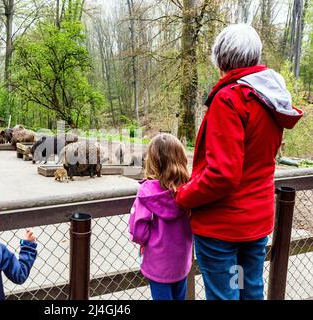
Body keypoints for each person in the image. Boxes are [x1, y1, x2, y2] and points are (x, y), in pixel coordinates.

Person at [175, 24, 303, 300]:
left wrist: (183, 196)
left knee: (225, 295)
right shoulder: (270, 98)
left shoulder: (230, 99)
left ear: (220, 59)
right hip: (254, 223)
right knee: (248, 290)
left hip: (223, 227)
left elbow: (222, 174)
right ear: (255, 57)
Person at [128, 134, 193, 300]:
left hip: (158, 263)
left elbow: (139, 232)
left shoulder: (146, 192)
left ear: (152, 161)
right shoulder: (188, 189)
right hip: (181, 261)